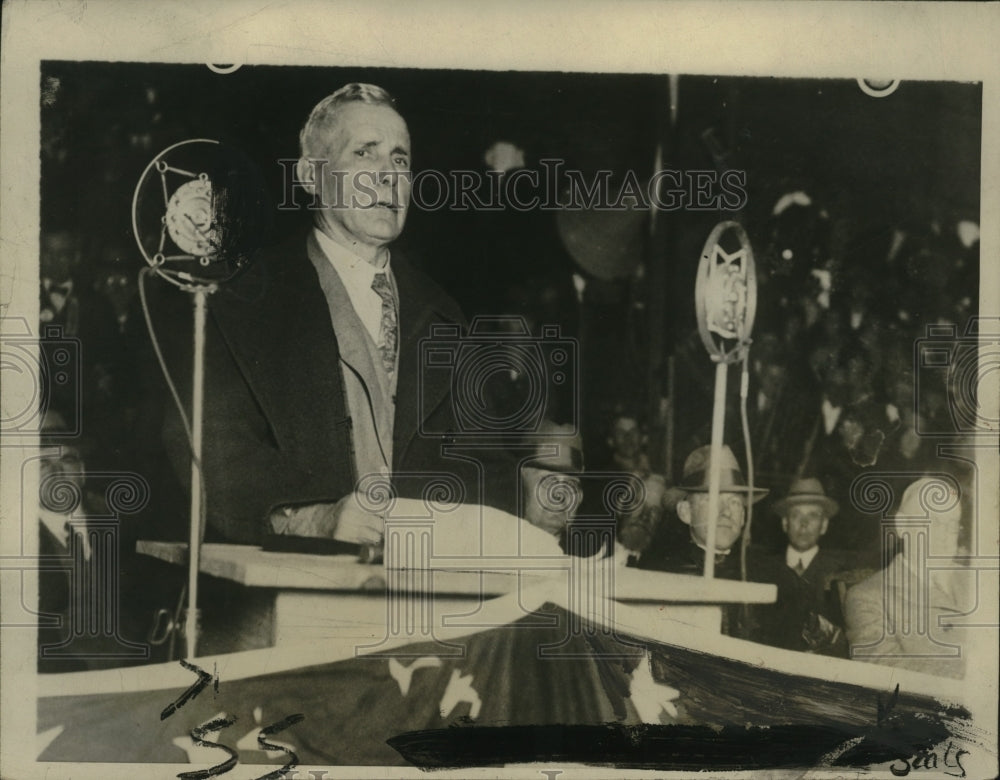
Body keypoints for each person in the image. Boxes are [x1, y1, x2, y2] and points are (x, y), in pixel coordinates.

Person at [156, 83, 515, 545]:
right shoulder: (240, 301)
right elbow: (205, 444)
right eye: (365, 153)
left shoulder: (443, 313)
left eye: (400, 158)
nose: (389, 174)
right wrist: (312, 519)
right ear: (310, 174)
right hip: (294, 584)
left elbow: (493, 471)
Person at [844, 477, 974, 680]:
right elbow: (881, 670)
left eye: (952, 525)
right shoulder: (867, 596)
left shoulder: (980, 581)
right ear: (902, 525)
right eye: (933, 522)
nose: (945, 536)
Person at [753, 477, 850, 654]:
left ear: (824, 525)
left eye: (813, 515)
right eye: (796, 515)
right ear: (785, 523)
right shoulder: (760, 572)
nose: (804, 524)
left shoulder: (841, 573)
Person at [643, 444, 768, 579]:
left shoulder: (770, 576)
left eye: (734, 502)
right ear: (686, 512)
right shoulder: (659, 574)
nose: (726, 512)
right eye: (712, 501)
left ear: (743, 516)